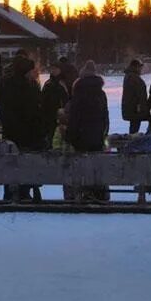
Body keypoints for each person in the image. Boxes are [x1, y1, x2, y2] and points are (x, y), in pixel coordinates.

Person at [0, 56, 43, 201]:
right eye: (32, 70)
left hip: (17, 131)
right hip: (23, 132)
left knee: (14, 162)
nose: (35, 73)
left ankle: (17, 191)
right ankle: (20, 191)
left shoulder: (13, 85)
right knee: (22, 161)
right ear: (26, 71)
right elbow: (30, 110)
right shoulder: (24, 87)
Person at [65, 61, 109, 200]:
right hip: (97, 135)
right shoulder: (101, 93)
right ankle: (98, 192)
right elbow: (105, 116)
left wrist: (70, 136)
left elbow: (74, 118)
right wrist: (103, 134)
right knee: (97, 165)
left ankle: (81, 192)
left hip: (81, 136)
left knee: (80, 165)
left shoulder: (78, 93)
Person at [41, 62, 70, 148]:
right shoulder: (48, 83)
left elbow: (66, 99)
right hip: (48, 115)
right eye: (52, 69)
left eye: (55, 69)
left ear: (60, 70)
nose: (53, 71)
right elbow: (43, 98)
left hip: (60, 115)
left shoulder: (63, 83)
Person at [121, 59, 149, 133]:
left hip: (132, 107)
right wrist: (142, 108)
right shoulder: (134, 77)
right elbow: (139, 94)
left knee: (134, 127)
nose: (141, 69)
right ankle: (133, 142)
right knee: (134, 128)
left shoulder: (130, 76)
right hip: (135, 108)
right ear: (136, 67)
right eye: (140, 67)